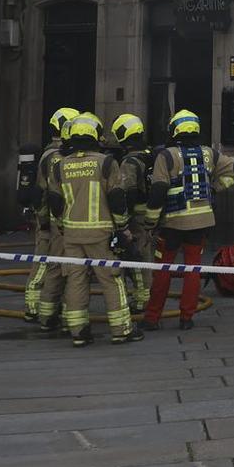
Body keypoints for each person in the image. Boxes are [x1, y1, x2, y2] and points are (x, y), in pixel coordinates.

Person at [47, 112, 141, 347]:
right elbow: (117, 198)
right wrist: (122, 227)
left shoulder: (60, 166)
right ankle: (121, 330)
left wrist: (61, 226)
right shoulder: (106, 163)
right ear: (96, 136)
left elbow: (55, 203)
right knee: (111, 279)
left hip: (71, 234)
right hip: (101, 233)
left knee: (75, 280)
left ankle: (78, 332)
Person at [142, 108, 234, 333]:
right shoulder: (209, 153)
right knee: (192, 269)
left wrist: (149, 223)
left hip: (172, 224)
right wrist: (214, 189)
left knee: (163, 270)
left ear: (174, 130)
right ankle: (187, 318)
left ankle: (152, 318)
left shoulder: (166, 156)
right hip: (201, 223)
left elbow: (158, 191)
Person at [23, 107, 77, 326]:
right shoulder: (56, 156)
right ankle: (35, 307)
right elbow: (47, 192)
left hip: (55, 220)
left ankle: (47, 309)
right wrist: (44, 222)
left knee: (56, 265)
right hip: (53, 222)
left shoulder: (53, 153)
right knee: (46, 263)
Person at [110, 113, 155, 318]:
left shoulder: (130, 161)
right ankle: (145, 295)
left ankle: (141, 299)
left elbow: (128, 192)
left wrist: (123, 220)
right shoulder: (150, 154)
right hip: (150, 214)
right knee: (146, 256)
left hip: (136, 217)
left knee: (136, 257)